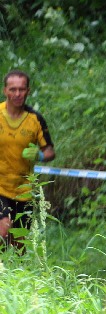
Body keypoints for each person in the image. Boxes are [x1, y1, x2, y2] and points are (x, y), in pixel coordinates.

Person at [1, 70, 56, 249]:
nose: (17, 94)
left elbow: (50, 151)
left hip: (23, 191)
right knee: (3, 229)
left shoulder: (35, 119)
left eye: (21, 89)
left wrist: (39, 155)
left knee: (18, 246)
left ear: (28, 91)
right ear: (5, 91)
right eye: (13, 89)